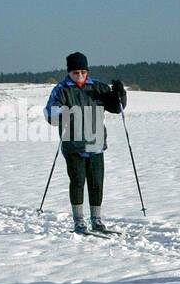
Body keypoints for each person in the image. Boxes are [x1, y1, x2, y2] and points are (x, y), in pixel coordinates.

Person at [44, 52, 128, 234]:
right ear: (69, 72)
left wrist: (120, 95)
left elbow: (116, 108)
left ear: (87, 71)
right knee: (77, 181)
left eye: (83, 72)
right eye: (76, 73)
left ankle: (97, 220)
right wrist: (64, 113)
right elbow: (50, 114)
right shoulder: (62, 89)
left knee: (97, 182)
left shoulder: (98, 87)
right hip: (73, 144)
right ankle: (79, 221)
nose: (80, 76)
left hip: (96, 142)